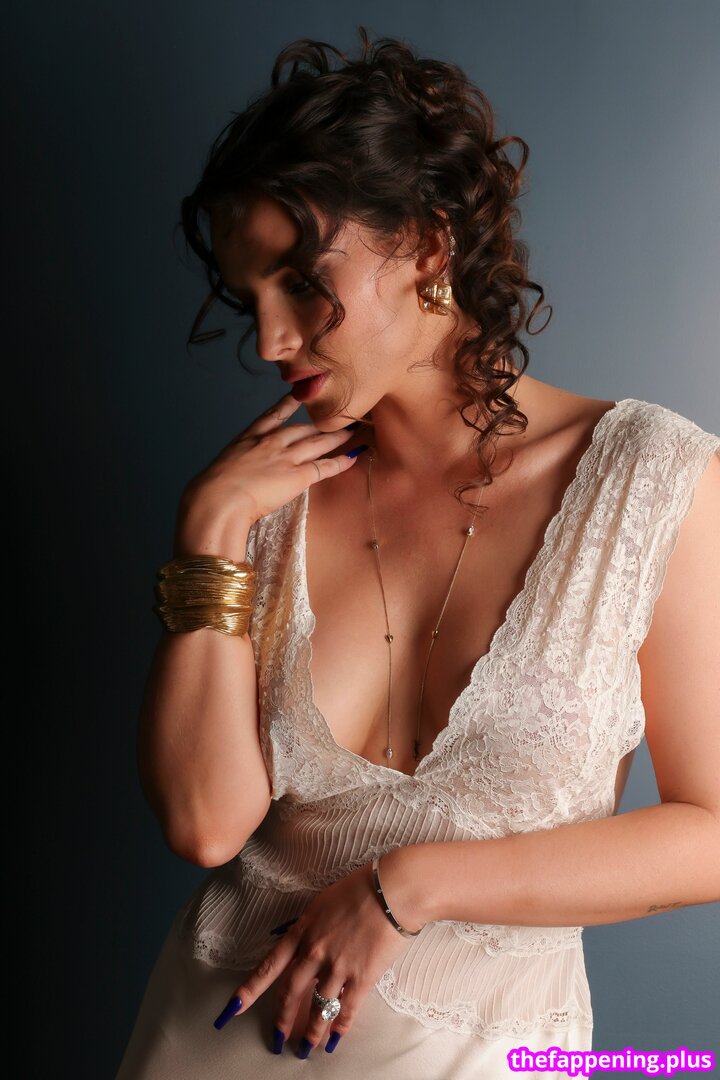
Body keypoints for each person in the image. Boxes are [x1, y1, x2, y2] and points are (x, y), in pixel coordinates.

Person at [117, 27, 720, 1079]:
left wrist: (408, 887)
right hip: (211, 1039)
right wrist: (206, 533)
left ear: (431, 248)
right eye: (251, 299)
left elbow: (711, 833)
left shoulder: (651, 479)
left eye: (303, 282)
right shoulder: (264, 507)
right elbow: (208, 826)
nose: (270, 341)